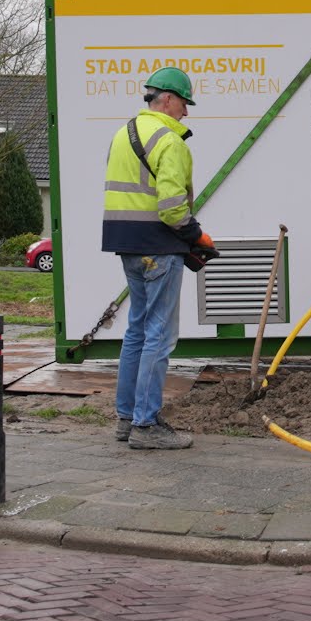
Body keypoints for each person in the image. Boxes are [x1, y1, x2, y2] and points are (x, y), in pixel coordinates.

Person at [102, 66, 215, 450]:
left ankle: (125, 418)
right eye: (184, 102)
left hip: (128, 245)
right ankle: (146, 426)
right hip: (158, 247)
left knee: (135, 332)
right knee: (159, 337)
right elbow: (170, 209)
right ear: (167, 99)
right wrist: (196, 236)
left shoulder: (123, 134)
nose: (186, 112)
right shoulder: (170, 141)